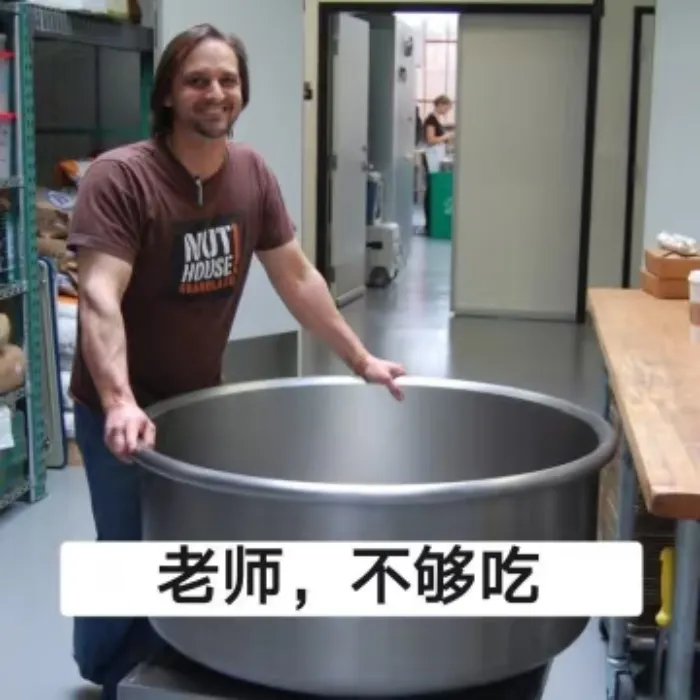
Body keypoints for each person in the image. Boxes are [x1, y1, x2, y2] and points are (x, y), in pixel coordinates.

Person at [67, 23, 406, 700]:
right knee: (129, 547)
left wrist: (360, 358)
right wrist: (119, 400)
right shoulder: (122, 178)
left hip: (199, 403)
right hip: (120, 408)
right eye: (197, 80)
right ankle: (105, 671)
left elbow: (297, 277)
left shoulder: (250, 173)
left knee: (190, 542)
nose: (215, 93)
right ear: (168, 94)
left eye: (227, 80)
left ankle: (162, 656)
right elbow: (100, 296)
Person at [421, 94, 454, 235]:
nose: (447, 111)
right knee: (431, 190)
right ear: (440, 104)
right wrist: (445, 136)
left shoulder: (437, 120)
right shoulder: (431, 120)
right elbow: (430, 139)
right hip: (431, 158)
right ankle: (429, 223)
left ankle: (432, 221)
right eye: (446, 108)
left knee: (433, 189)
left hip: (436, 158)